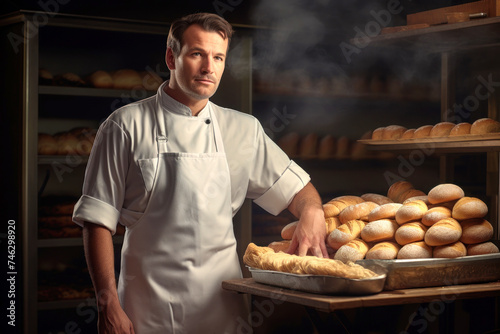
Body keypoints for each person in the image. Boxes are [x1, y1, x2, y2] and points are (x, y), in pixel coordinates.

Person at [73, 12, 327, 334]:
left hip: (222, 309)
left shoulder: (243, 129)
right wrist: (107, 303)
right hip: (145, 310)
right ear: (171, 57)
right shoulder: (125, 126)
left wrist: (312, 212)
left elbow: (298, 191)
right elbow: (97, 220)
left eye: (218, 57)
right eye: (197, 54)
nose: (209, 67)